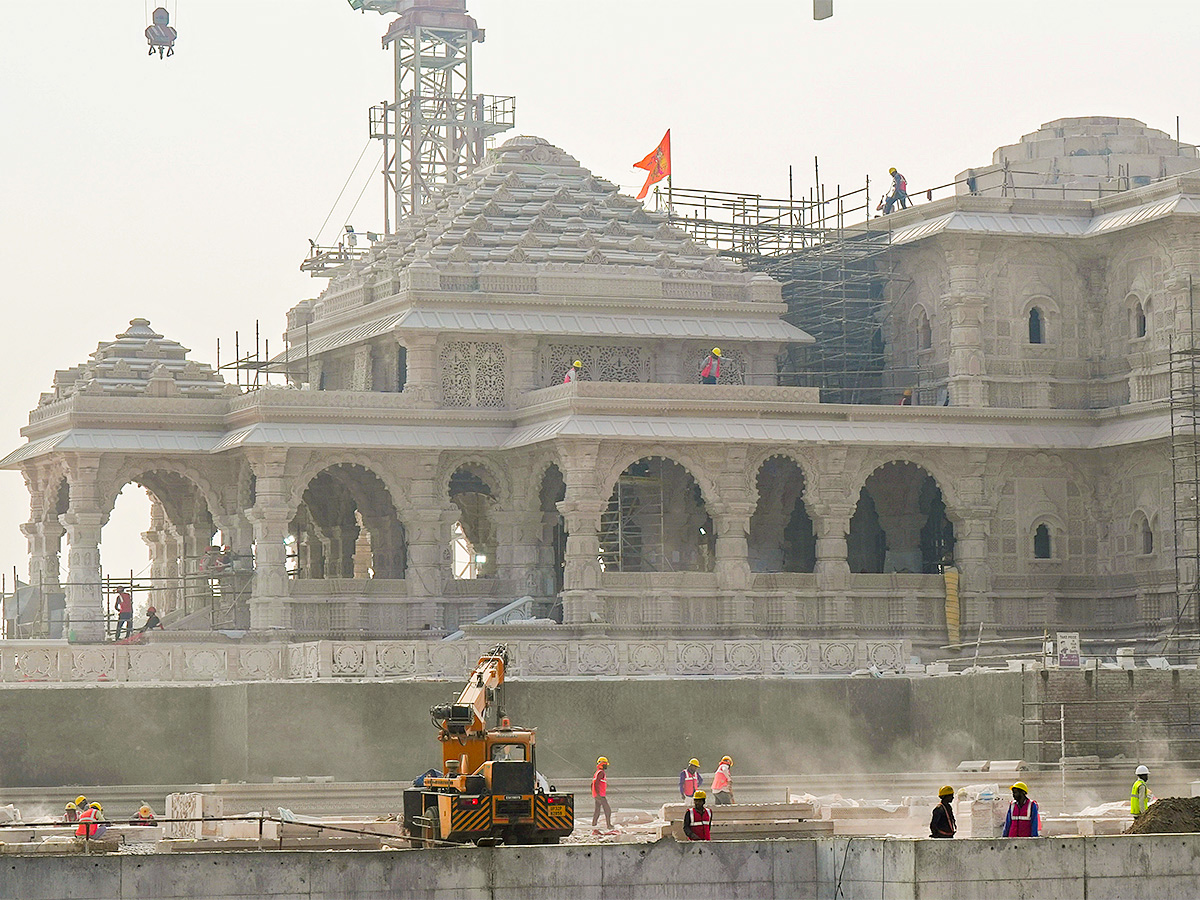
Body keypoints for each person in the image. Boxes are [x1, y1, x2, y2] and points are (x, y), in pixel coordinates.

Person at [591, 756, 612, 833]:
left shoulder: (597, 772)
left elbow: (593, 783)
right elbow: (596, 783)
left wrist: (595, 793)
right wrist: (598, 794)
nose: (606, 766)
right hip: (600, 795)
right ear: (602, 764)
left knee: (597, 810)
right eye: (605, 764)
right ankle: (609, 825)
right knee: (608, 810)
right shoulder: (601, 773)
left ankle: (594, 824)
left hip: (597, 794)